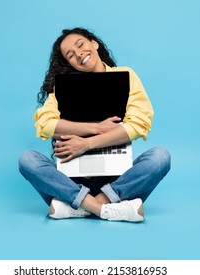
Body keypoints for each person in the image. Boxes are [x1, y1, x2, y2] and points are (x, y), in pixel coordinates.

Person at [18, 27, 170, 222]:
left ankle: (79, 206)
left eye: (80, 45)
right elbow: (45, 124)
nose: (79, 54)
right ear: (68, 62)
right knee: (27, 159)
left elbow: (138, 124)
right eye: (70, 55)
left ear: (94, 44)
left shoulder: (126, 75)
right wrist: (96, 128)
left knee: (160, 157)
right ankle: (107, 209)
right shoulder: (64, 87)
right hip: (72, 180)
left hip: (117, 181)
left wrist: (86, 144)